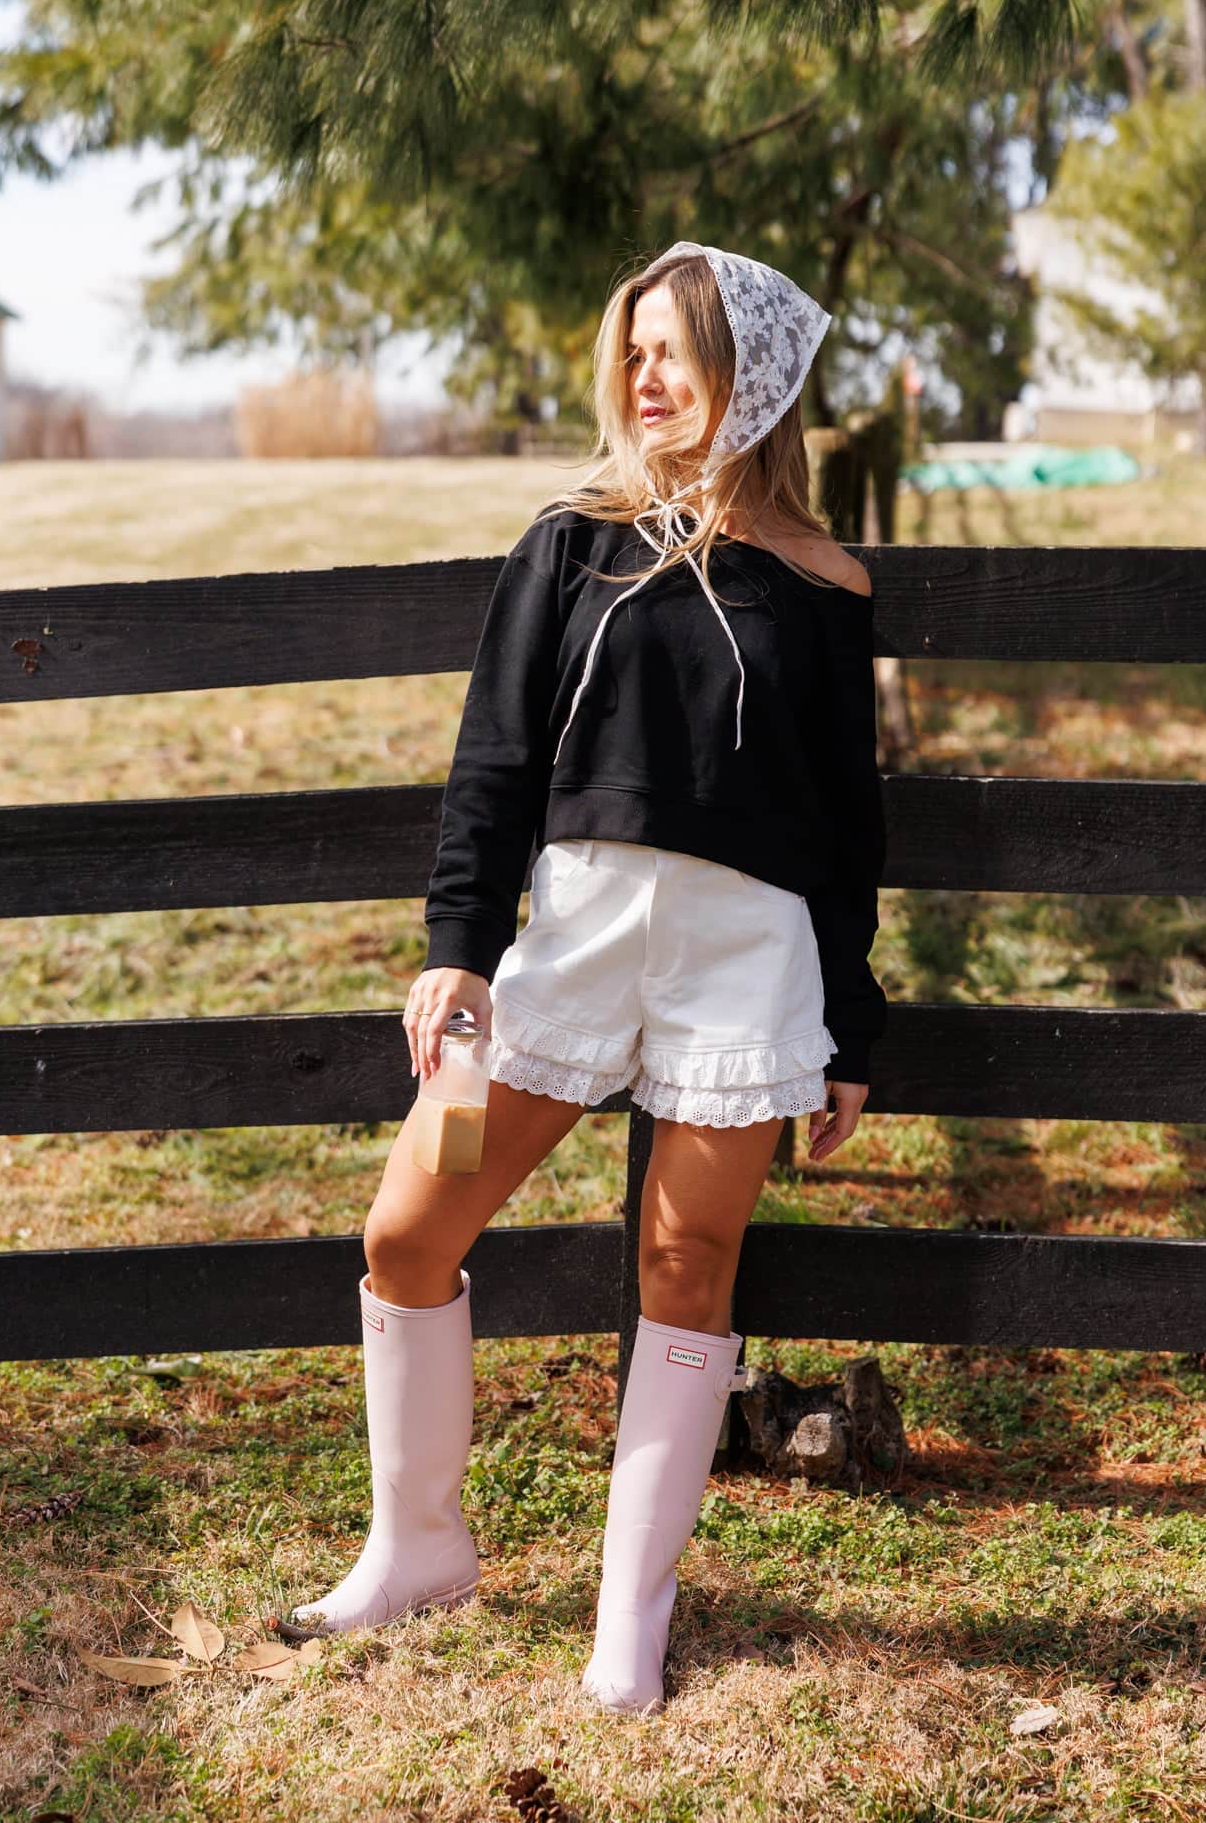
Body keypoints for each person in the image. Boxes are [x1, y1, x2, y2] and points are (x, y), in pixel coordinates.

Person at [287, 239, 889, 1717]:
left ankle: (631, 1619)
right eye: (632, 351)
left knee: (687, 1272)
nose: (647, 377)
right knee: (406, 1234)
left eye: (676, 349)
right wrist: (454, 951)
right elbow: (490, 763)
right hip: (566, 944)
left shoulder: (821, 585)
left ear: (752, 374)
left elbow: (844, 828)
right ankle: (417, 1545)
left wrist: (851, 1025)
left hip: (746, 962)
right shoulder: (568, 541)